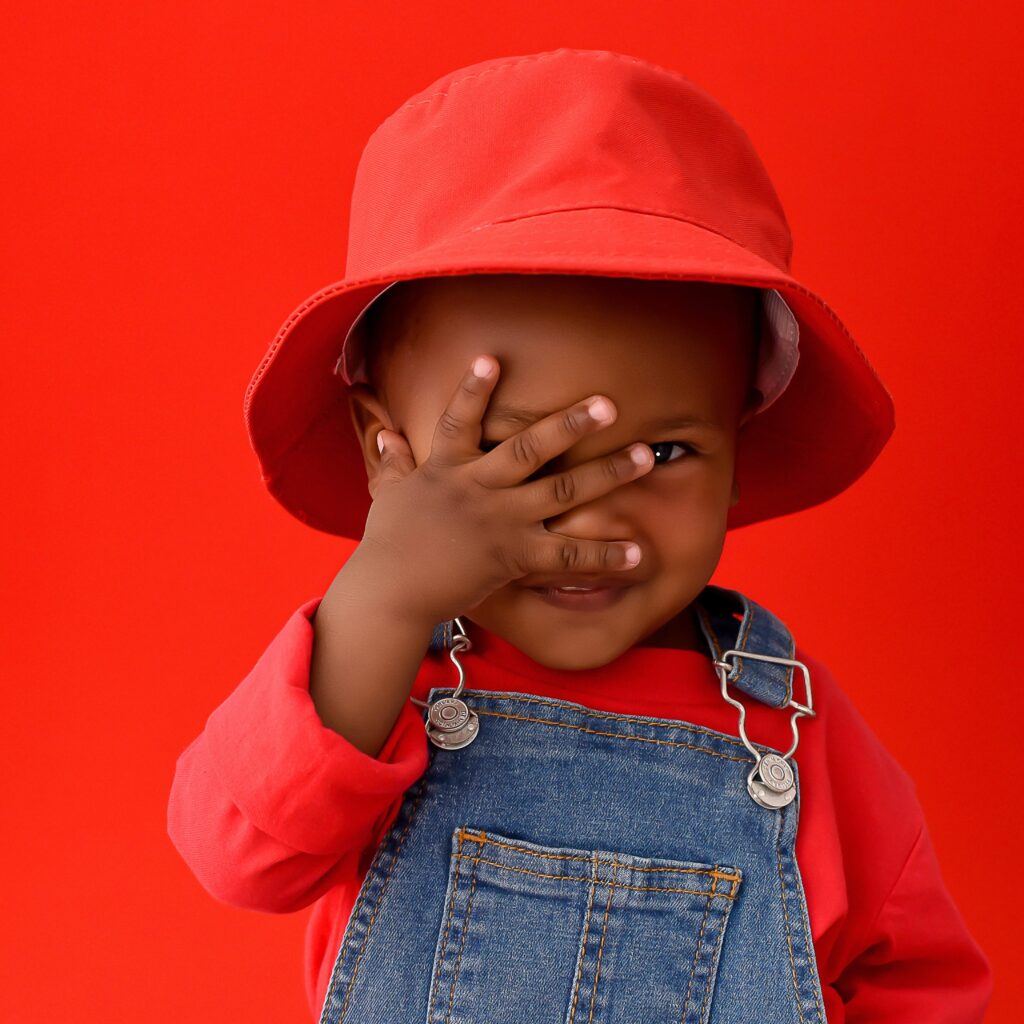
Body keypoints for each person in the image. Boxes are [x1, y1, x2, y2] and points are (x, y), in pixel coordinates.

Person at [167, 48, 992, 1022]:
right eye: (515, 454)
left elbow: (922, 983)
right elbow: (239, 853)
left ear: (739, 442)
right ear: (384, 449)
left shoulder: (797, 733)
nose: (592, 516)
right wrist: (386, 591)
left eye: (667, 454)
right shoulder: (385, 683)